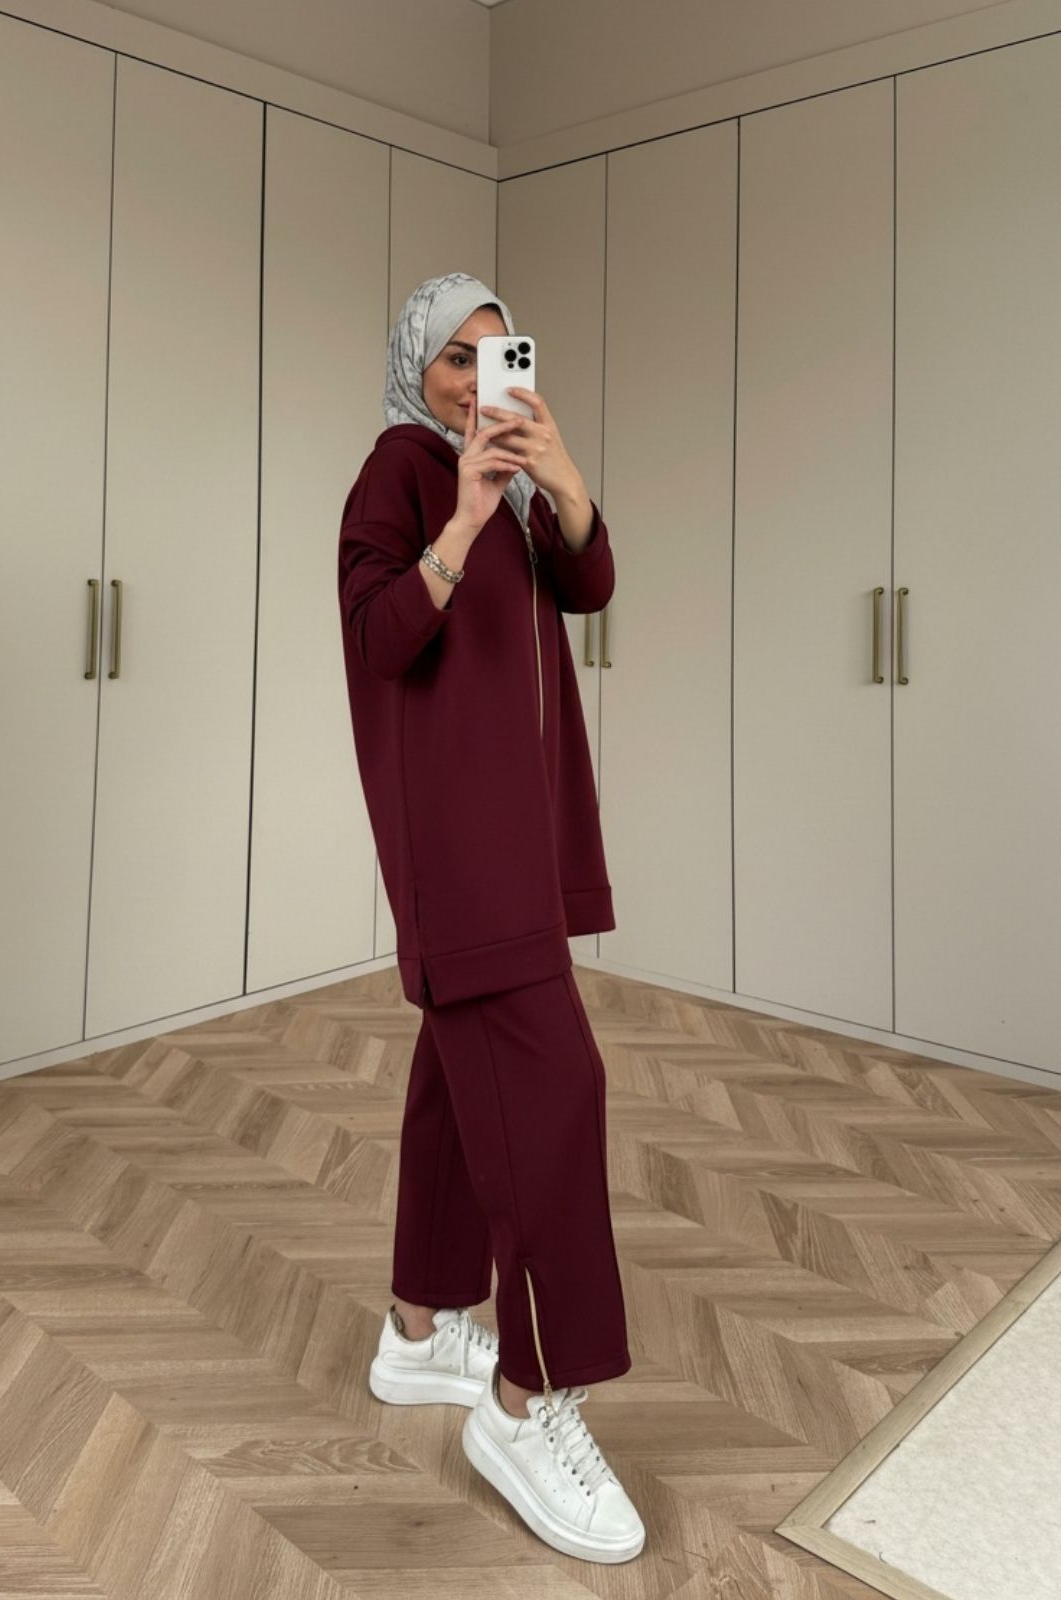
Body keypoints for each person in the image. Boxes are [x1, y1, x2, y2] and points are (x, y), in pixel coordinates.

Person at [337, 273, 645, 1564]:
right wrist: (462, 520)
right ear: (416, 368)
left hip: (517, 840)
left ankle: (418, 1331)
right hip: (462, 857)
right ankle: (527, 1402)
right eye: (454, 359)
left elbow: (592, 586)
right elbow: (378, 638)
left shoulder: (515, 486)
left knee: (458, 1088)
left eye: (497, 355)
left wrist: (559, 481)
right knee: (556, 1094)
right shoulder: (400, 473)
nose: (477, 381)